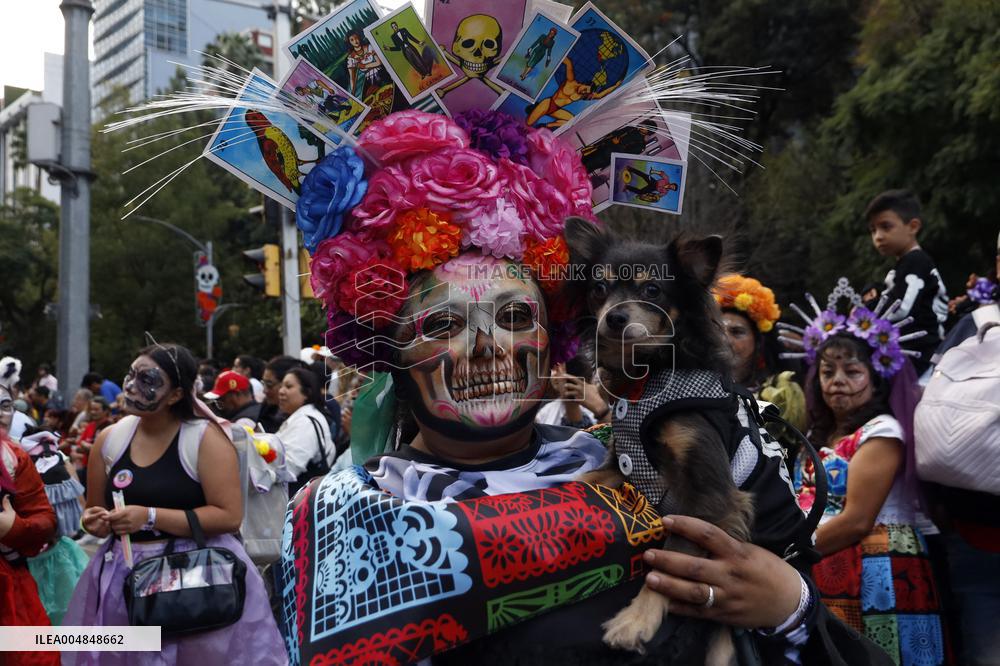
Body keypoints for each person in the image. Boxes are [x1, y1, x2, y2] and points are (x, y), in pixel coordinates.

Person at [274, 110, 893, 665]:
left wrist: (787, 605)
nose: (487, 345)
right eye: (443, 323)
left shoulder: (626, 458)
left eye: (515, 317)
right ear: (393, 352)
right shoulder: (349, 514)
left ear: (556, 338)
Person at [62, 343, 286, 665]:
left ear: (176, 395)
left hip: (196, 580)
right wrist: (93, 520)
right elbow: (93, 511)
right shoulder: (109, 440)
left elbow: (228, 516)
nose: (132, 387)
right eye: (131, 375)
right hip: (126, 581)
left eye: (148, 380)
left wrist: (150, 516)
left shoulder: (204, 438)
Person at [787, 283, 948, 666]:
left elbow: (858, 520)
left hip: (880, 567)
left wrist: (789, 554)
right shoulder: (817, 435)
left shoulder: (882, 431)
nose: (837, 381)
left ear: (875, 378)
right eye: (828, 371)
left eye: (852, 371)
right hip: (823, 562)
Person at [0, 366, 60, 666]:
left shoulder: (15, 457)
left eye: (6, 405)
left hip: (9, 590)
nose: (0, 414)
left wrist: (13, 527)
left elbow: (46, 524)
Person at [714, 274, 807, 460]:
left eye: (737, 332)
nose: (724, 339)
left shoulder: (780, 394)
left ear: (758, 343)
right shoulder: (692, 386)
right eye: (717, 330)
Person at [864, 189, 948, 375]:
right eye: (873, 230)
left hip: (924, 356)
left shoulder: (916, 262)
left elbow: (900, 307)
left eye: (886, 227)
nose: (878, 236)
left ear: (913, 226)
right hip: (915, 354)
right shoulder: (907, 265)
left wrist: (863, 313)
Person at [275, 366, 335, 495]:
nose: (281, 391)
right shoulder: (300, 417)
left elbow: (289, 467)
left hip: (299, 504)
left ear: (307, 393)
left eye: (288, 386)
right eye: (281, 386)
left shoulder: (306, 422)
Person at [72, 396, 113, 492]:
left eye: (96, 409)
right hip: (86, 467)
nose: (93, 412)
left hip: (103, 470)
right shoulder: (90, 426)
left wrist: (86, 446)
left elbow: (104, 450)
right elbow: (78, 447)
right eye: (91, 409)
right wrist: (87, 447)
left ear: (105, 411)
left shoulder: (110, 427)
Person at [259, 355, 303, 434]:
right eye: (263, 383)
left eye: (269, 385)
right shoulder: (267, 409)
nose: (264, 391)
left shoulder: (305, 420)